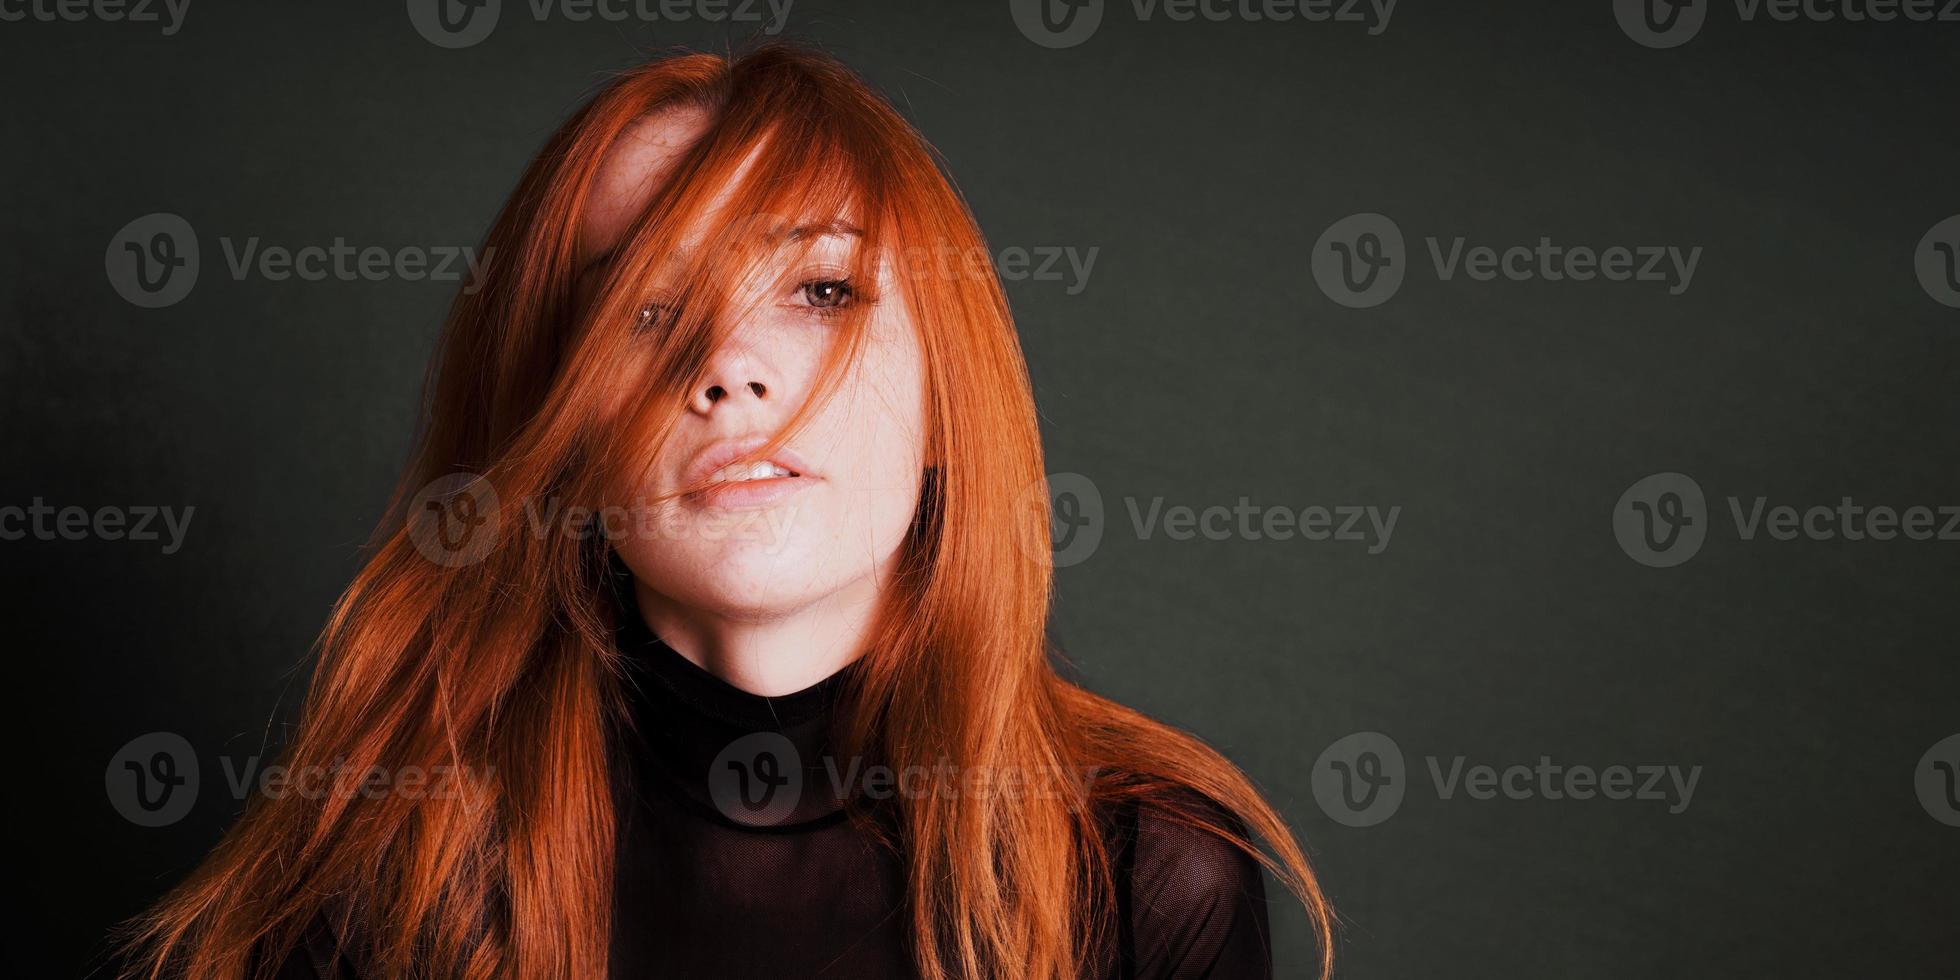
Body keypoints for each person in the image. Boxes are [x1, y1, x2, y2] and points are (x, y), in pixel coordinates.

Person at [116, 43, 1334, 980]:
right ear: (556, 420)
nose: (729, 365)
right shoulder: (395, 865)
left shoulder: (1145, 872)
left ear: (948, 379)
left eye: (818, 286)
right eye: (643, 306)